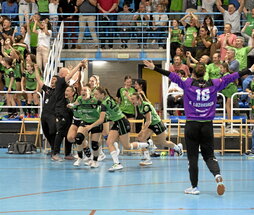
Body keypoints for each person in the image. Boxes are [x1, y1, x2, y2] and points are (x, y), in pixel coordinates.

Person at [143, 60, 254, 195]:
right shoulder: (214, 83)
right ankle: (217, 176)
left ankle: (194, 187)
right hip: (207, 125)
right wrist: (249, 70)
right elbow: (232, 77)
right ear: (205, 73)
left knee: (193, 157)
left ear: (194, 73)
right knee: (209, 155)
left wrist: (154, 67)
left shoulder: (187, 83)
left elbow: (171, 75)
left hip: (192, 125)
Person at [83, 87, 153, 171]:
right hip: (117, 122)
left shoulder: (104, 104)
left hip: (122, 122)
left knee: (127, 146)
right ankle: (117, 163)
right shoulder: (108, 99)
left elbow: (101, 119)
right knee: (109, 142)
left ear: (102, 94)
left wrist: (90, 126)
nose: (95, 96)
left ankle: (148, 144)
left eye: (96, 94)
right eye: (94, 94)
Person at [131, 92, 183, 166]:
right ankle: (147, 158)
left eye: (133, 99)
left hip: (157, 124)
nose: (131, 101)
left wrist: (142, 130)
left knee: (163, 142)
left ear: (138, 99)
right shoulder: (139, 106)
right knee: (141, 138)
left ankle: (177, 148)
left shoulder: (146, 106)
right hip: (151, 125)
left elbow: (149, 120)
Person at [51, 59, 87, 161]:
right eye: (67, 72)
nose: (69, 74)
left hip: (67, 110)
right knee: (60, 132)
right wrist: (79, 64)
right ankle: (55, 153)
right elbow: (71, 76)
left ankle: (67, 153)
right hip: (61, 110)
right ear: (63, 74)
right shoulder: (60, 81)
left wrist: (81, 69)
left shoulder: (65, 84)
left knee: (68, 132)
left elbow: (76, 79)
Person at [67, 85, 102, 168]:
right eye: (82, 90)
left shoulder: (95, 100)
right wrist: (71, 105)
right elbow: (75, 104)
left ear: (90, 92)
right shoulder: (79, 99)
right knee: (78, 138)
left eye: (85, 90)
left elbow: (104, 106)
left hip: (95, 123)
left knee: (94, 144)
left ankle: (95, 161)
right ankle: (80, 158)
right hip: (85, 121)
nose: (83, 91)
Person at [35, 66, 58, 154]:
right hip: (44, 115)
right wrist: (36, 69)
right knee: (46, 132)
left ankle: (55, 149)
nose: (52, 81)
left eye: (54, 79)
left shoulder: (59, 91)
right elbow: (39, 80)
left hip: (52, 115)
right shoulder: (48, 90)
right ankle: (53, 148)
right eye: (52, 79)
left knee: (52, 131)